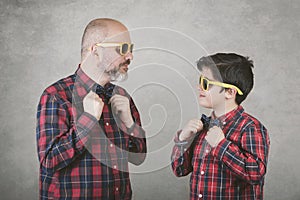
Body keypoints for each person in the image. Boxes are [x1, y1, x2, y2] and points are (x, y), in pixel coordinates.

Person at [36, 18, 147, 200]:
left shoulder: (121, 96)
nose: (130, 56)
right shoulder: (56, 95)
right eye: (123, 49)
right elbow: (49, 161)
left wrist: (129, 123)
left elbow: (138, 158)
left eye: (131, 49)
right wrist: (88, 119)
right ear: (95, 50)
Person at [171, 53, 270, 199]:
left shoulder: (250, 128)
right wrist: (183, 139)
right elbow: (179, 170)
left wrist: (221, 145)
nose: (199, 87)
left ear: (230, 92)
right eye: (200, 81)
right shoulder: (202, 127)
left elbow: (255, 174)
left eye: (206, 83)